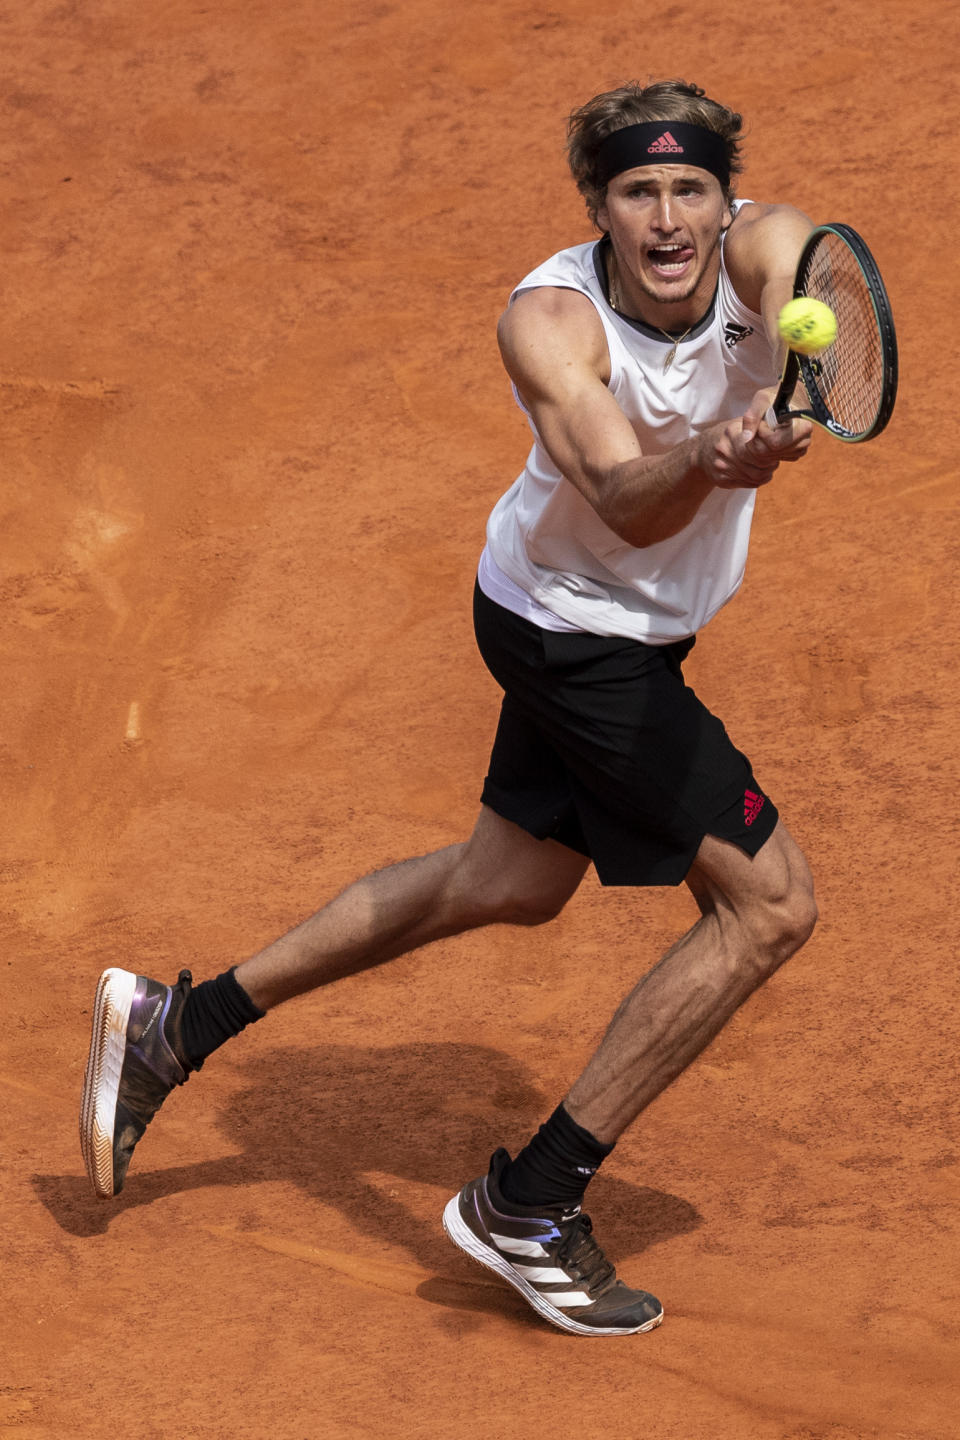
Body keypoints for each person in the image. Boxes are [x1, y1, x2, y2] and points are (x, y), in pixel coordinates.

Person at [80, 79, 821, 1338]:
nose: (668, 219)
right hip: (576, 635)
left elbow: (826, 276)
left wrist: (809, 367)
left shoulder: (765, 249)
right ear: (597, 207)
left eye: (690, 188)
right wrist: (711, 453)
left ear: (724, 197)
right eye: (638, 192)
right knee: (768, 907)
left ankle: (173, 1025)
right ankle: (532, 1204)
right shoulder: (549, 320)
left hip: (604, 625)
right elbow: (623, 495)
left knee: (511, 879)